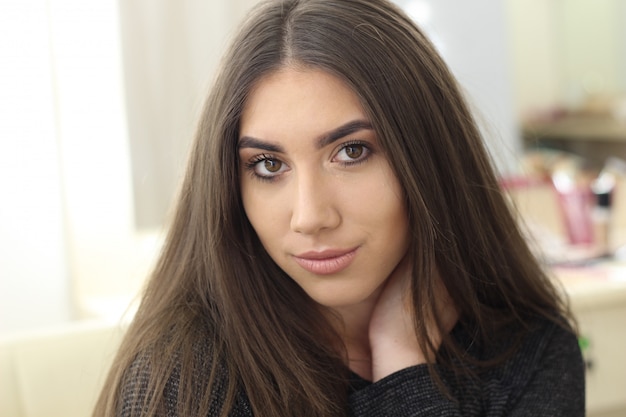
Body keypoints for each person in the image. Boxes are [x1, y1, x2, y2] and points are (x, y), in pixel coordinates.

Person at [93, 0, 585, 416]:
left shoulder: (528, 353)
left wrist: (403, 361)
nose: (309, 216)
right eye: (267, 164)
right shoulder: (187, 379)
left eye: (352, 152)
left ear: (429, 156)